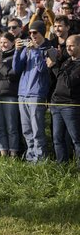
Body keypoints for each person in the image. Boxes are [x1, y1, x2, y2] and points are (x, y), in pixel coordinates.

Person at [13, 20, 52, 163]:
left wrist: (35, 50)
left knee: (37, 130)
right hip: (22, 93)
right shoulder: (26, 48)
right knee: (26, 130)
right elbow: (16, 69)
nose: (32, 35)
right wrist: (17, 51)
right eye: (30, 33)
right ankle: (31, 158)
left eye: (35, 32)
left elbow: (43, 69)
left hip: (37, 93)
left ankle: (41, 159)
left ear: (42, 32)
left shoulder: (49, 48)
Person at [47, 34, 80, 167]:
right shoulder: (67, 62)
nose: (68, 48)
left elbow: (68, 82)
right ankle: (62, 167)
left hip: (70, 106)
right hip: (56, 104)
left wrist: (55, 65)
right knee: (57, 139)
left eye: (71, 45)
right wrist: (57, 62)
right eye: (67, 46)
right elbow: (57, 79)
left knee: (76, 139)